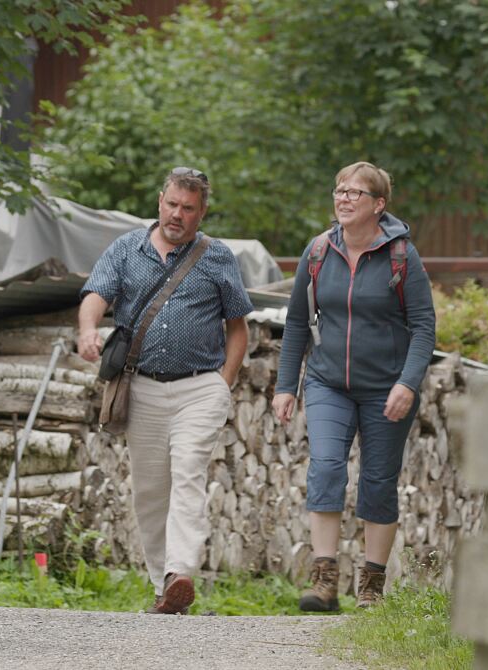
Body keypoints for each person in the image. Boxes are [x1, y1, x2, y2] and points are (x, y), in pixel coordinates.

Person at [77, 167, 253, 614]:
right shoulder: (126, 248)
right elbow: (96, 293)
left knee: (189, 470)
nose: (178, 215)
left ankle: (181, 569)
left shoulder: (217, 257)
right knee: (151, 490)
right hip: (143, 389)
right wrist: (87, 330)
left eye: (188, 209)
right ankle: (164, 587)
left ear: (202, 211)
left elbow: (238, 329)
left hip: (199, 388)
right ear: (160, 201)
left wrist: (222, 383)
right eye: (172, 205)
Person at [272, 161, 436, 611]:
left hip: (388, 387)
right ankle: (324, 582)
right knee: (325, 467)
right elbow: (297, 323)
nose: (343, 198)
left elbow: (424, 328)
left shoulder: (402, 255)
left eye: (355, 193)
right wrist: (288, 385)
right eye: (339, 190)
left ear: (378, 205)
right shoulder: (319, 250)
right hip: (328, 382)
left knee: (378, 482)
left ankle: (371, 588)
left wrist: (408, 382)